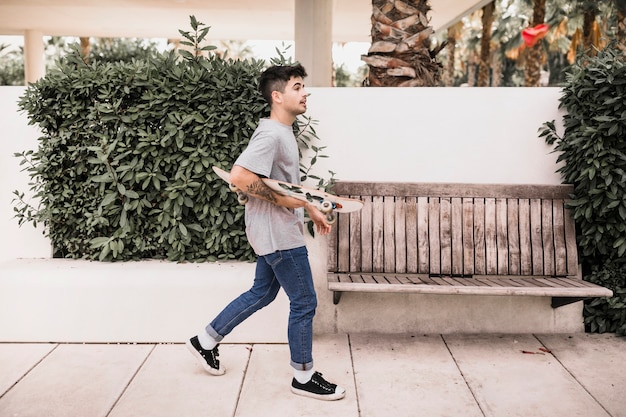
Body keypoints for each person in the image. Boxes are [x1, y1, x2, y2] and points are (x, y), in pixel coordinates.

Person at [186, 64, 345, 401]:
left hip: (271, 230)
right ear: (277, 95)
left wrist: (309, 206)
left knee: (262, 293)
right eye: (298, 87)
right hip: (278, 235)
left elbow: (282, 183)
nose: (305, 94)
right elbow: (240, 178)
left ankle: (205, 341)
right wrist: (289, 203)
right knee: (304, 302)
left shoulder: (282, 132)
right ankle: (303, 376)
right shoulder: (271, 134)